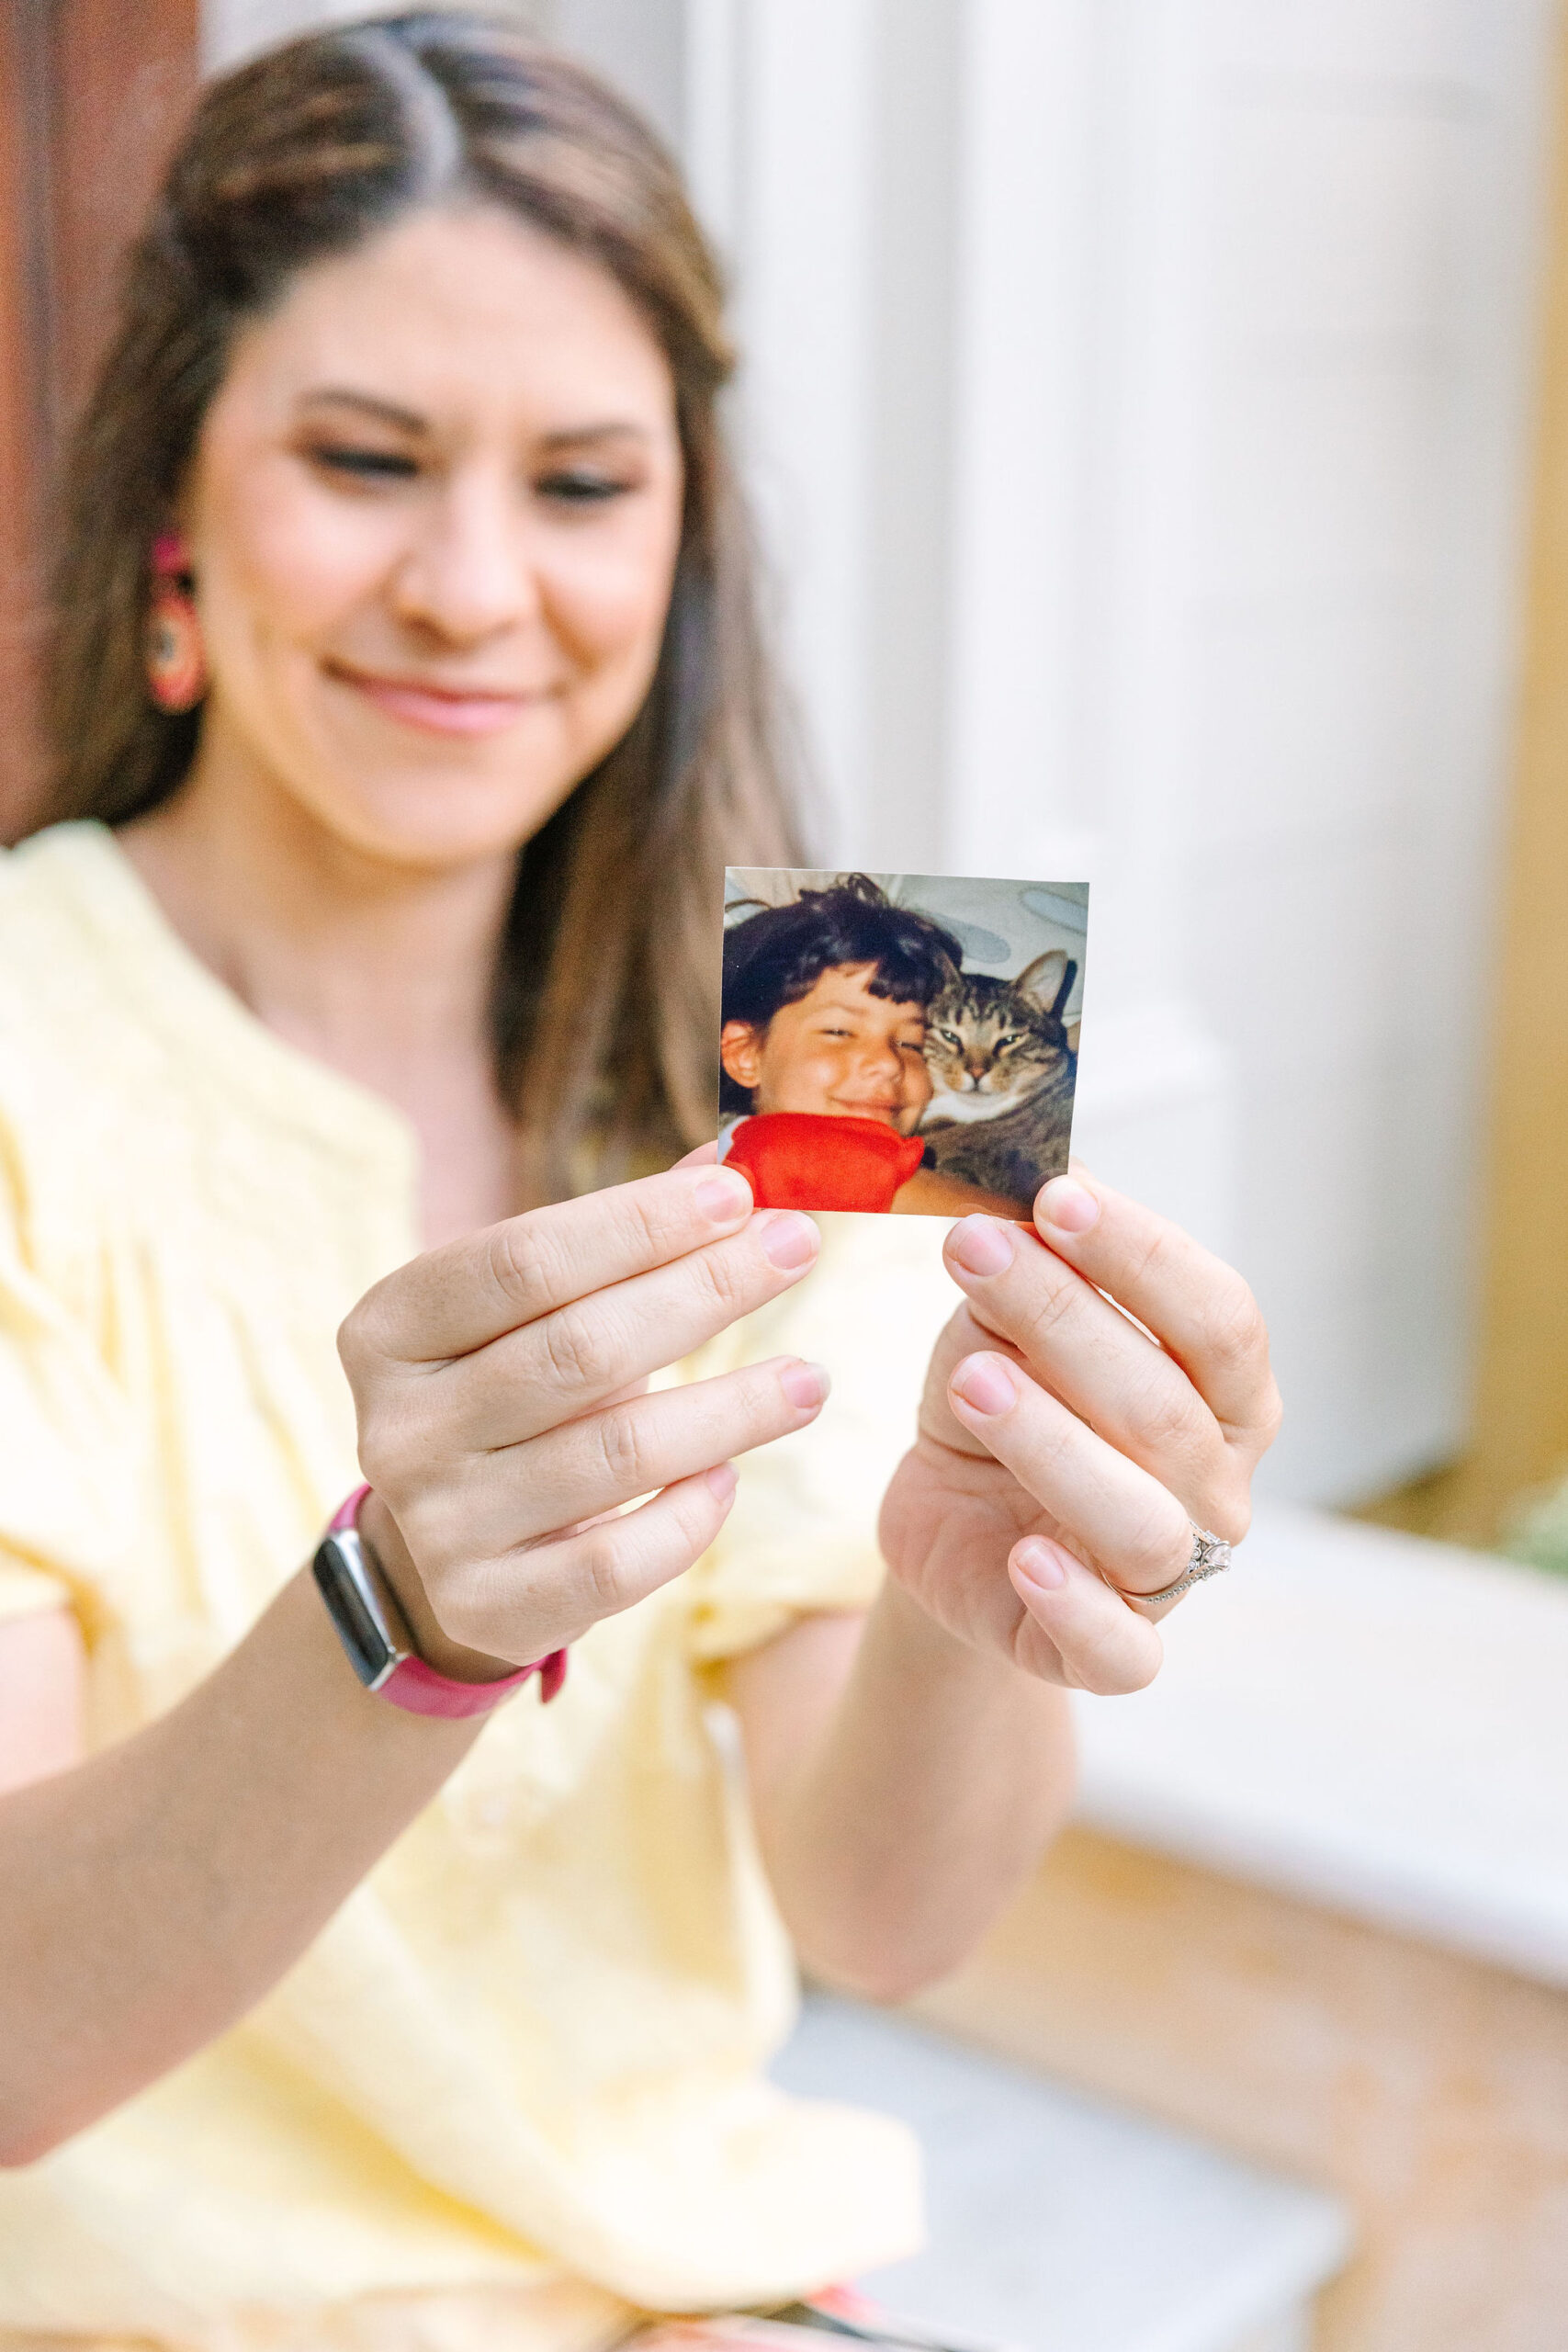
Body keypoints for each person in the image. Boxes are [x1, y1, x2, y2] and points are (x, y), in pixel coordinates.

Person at [0, 17, 1282, 2352]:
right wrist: (395, 1620)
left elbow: (875, 1919)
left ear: (681, 536)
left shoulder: (794, 1067)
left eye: (582, 483)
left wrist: (971, 1583)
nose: (475, 587)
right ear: (173, 502)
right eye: (367, 459)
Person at [717, 876, 1016, 1216]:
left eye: (912, 1044)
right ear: (745, 1054)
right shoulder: (786, 1152)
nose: (889, 1063)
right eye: (839, 1031)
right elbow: (1033, 1239)